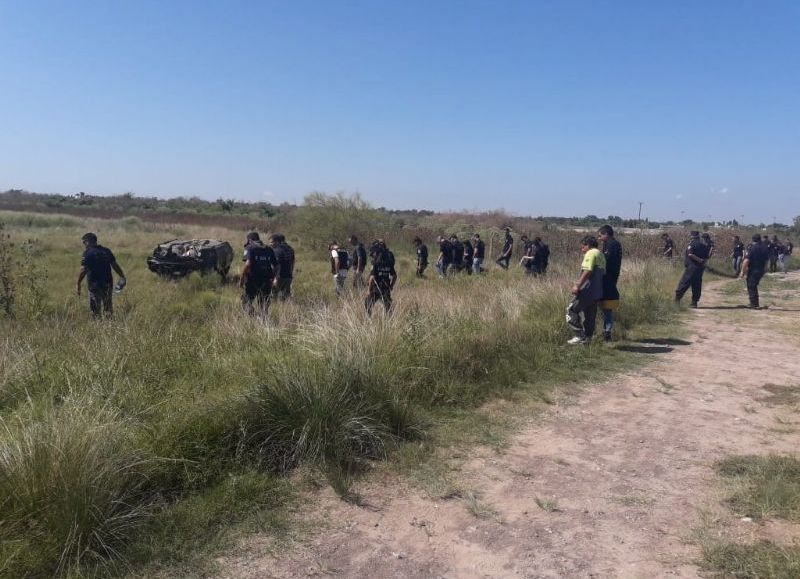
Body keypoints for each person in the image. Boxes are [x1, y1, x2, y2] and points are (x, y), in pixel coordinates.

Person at [566, 236, 606, 345]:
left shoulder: (591, 253)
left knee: (571, 310)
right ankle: (588, 339)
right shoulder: (601, 254)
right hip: (597, 292)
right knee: (590, 317)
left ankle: (579, 335)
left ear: (588, 245)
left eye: (583, 245)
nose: (581, 248)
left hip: (587, 291)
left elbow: (588, 270)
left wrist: (577, 286)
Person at [76, 232, 126, 318]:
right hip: (107, 283)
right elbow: (115, 265)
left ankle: (97, 326)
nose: (84, 245)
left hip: (94, 284)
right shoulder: (106, 251)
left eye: (84, 242)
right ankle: (109, 325)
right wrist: (122, 276)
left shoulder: (87, 253)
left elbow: (83, 270)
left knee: (95, 309)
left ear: (88, 241)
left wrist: (78, 283)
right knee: (108, 307)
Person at [240, 232, 278, 316]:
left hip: (252, 281)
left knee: (246, 302)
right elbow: (276, 265)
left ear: (249, 240)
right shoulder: (269, 249)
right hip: (267, 281)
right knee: (264, 304)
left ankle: (254, 317)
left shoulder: (250, 248)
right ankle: (263, 320)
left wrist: (241, 279)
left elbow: (247, 264)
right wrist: (274, 277)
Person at [598, 225, 622, 342]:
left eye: (600, 235)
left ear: (606, 234)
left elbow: (605, 260)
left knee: (607, 307)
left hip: (609, 281)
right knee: (603, 307)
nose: (599, 238)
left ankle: (607, 333)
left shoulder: (613, 244)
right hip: (606, 280)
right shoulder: (608, 244)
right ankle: (604, 330)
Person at [674, 231, 710, 308]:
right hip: (700, 268)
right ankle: (694, 302)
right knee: (697, 284)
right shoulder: (704, 245)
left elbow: (690, 254)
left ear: (692, 236)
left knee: (684, 282)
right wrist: (703, 263)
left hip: (692, 267)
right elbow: (707, 257)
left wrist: (699, 260)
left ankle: (677, 300)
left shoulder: (692, 244)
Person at [365, 240, 397, 316]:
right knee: (388, 306)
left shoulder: (376, 264)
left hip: (376, 288)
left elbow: (372, 278)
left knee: (368, 303)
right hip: (386, 287)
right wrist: (391, 286)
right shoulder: (389, 263)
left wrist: (369, 290)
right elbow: (395, 276)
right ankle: (388, 321)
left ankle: (369, 317)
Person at [740, 234, 770, 309]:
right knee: (754, 285)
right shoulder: (764, 247)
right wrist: (765, 269)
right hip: (761, 269)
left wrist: (742, 272)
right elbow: (766, 260)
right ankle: (754, 303)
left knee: (751, 286)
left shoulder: (752, 248)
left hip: (753, 269)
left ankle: (754, 304)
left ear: (753, 240)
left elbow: (746, 261)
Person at [270, 234, 295, 300]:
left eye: (272, 242)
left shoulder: (277, 250)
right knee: (285, 297)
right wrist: (291, 273)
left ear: (277, 241)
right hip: (288, 276)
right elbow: (292, 262)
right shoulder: (290, 249)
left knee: (274, 296)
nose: (270, 244)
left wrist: (274, 277)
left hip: (279, 276)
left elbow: (277, 265)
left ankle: (278, 309)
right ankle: (286, 309)